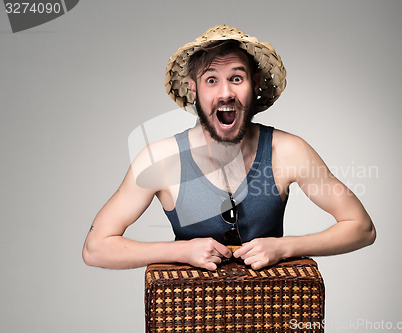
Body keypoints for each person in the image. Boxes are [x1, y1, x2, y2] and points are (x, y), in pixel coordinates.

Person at [82, 25, 375, 271]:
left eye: (236, 78)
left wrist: (284, 247)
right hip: (190, 318)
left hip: (271, 314)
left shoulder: (289, 151)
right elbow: (96, 248)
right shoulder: (160, 159)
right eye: (211, 80)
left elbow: (361, 228)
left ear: (254, 84)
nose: (225, 93)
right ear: (194, 89)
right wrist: (181, 252)